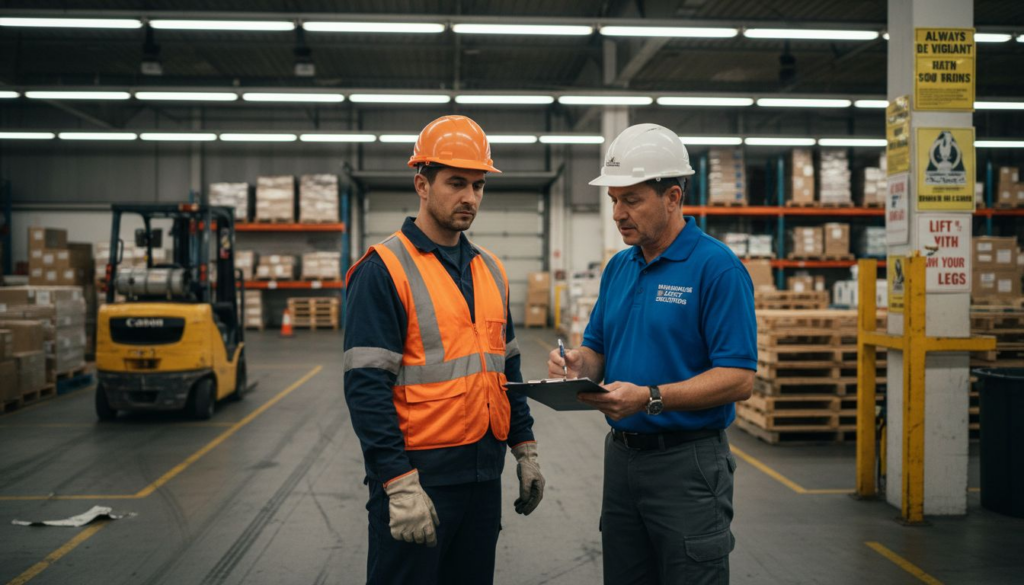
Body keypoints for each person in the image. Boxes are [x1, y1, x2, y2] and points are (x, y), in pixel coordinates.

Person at [547, 123, 756, 584]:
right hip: (622, 461)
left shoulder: (716, 268)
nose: (618, 213)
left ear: (674, 197)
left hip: (688, 465)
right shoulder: (620, 267)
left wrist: (651, 397)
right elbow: (598, 348)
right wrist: (579, 363)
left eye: (632, 200)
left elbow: (739, 377)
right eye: (614, 200)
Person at [344, 114, 545, 585]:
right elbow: (366, 388)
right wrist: (397, 483)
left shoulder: (490, 270)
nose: (470, 197)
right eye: (456, 183)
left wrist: (525, 451)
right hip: (419, 481)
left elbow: (506, 369)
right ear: (422, 183)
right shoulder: (384, 269)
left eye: (478, 185)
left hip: (481, 477)